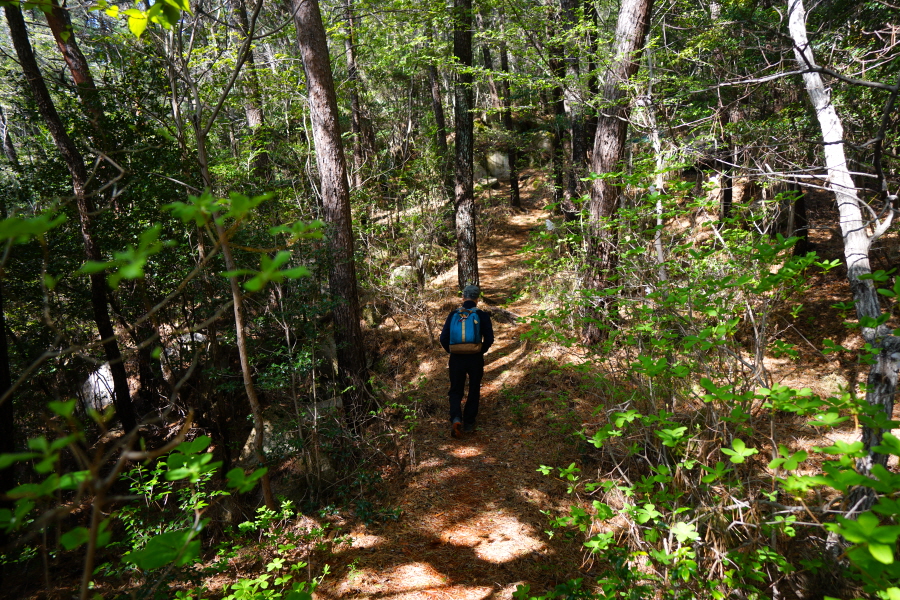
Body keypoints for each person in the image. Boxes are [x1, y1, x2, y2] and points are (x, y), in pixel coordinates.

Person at [439, 285, 494, 438]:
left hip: (456, 358)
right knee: (474, 388)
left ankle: (456, 418)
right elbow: (489, 338)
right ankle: (469, 422)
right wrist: (480, 350)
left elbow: (443, 338)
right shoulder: (481, 314)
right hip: (475, 357)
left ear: (463, 297)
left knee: (456, 389)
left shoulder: (453, 314)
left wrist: (452, 351)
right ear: (477, 299)